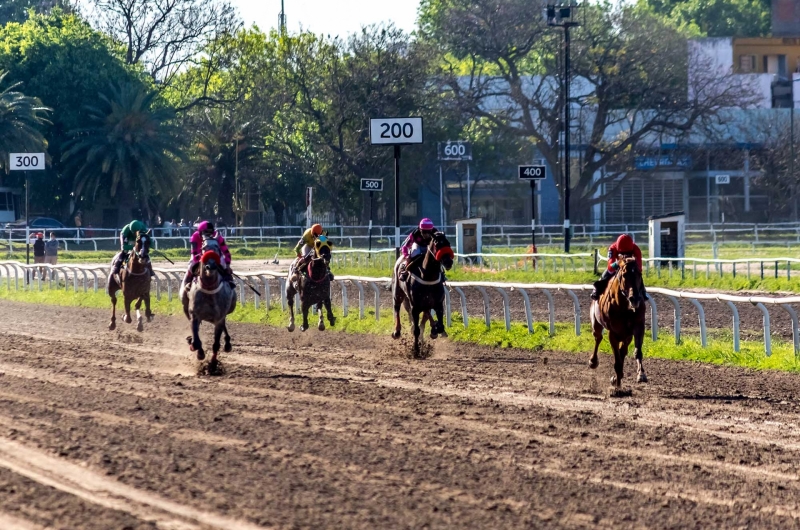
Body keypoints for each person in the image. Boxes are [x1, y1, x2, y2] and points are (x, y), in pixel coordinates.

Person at [181, 220, 234, 292]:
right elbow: (194, 253)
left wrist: (227, 264)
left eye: (210, 232)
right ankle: (188, 282)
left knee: (223, 265)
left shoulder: (218, 237)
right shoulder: (195, 237)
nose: (208, 235)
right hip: (199, 256)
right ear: (200, 232)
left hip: (216, 256)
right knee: (191, 265)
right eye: (205, 232)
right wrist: (200, 261)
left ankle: (229, 282)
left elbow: (226, 252)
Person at [590, 233, 645, 301]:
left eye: (628, 253)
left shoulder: (636, 249)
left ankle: (643, 292)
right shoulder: (612, 248)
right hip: (617, 265)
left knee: (637, 275)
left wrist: (632, 261)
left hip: (630, 266)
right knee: (608, 272)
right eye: (622, 253)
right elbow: (610, 267)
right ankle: (596, 290)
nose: (625, 254)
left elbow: (639, 268)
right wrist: (619, 262)